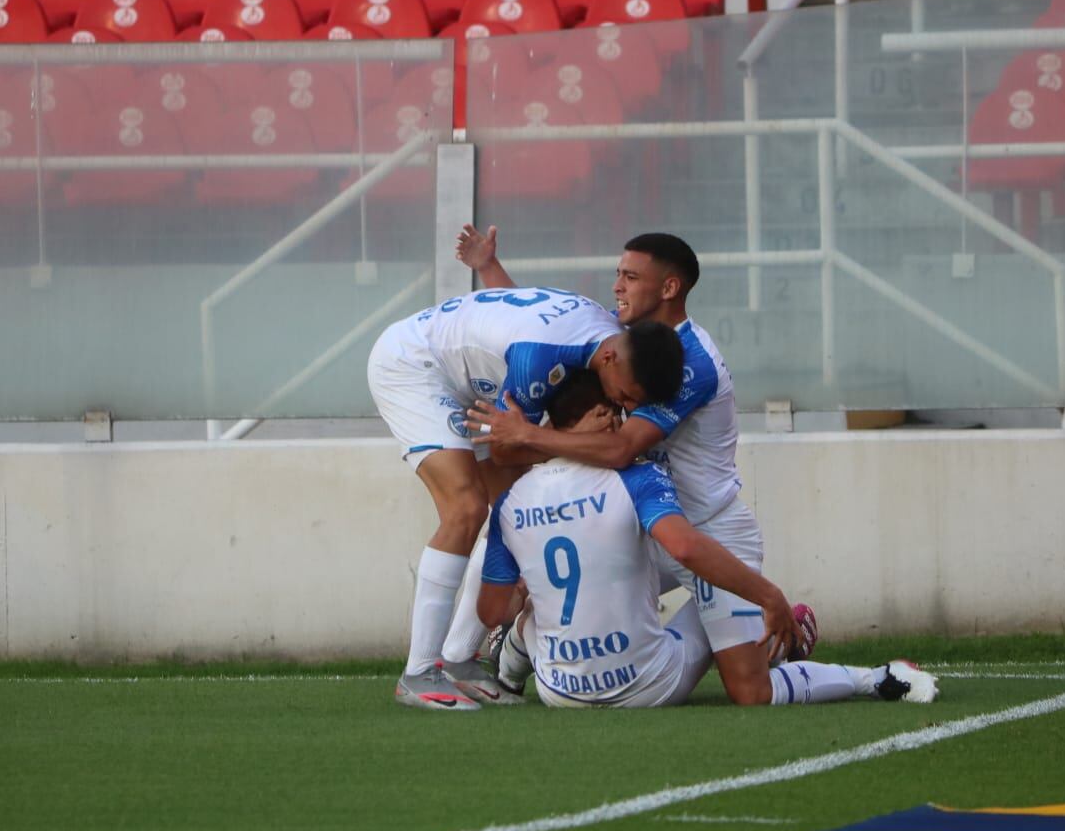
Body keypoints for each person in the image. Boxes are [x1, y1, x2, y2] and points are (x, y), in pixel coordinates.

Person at [454, 226, 921, 708]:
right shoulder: (622, 344)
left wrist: (526, 435)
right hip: (640, 526)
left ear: (670, 287)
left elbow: (619, 450)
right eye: (619, 274)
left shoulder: (688, 361)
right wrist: (488, 268)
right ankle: (501, 659)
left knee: (750, 692)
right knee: (538, 557)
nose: (618, 286)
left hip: (707, 530)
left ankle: (865, 674)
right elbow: (541, 331)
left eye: (631, 277)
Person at [477, 369, 938, 709]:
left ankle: (510, 672)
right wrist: (768, 596)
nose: (622, 425)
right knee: (729, 607)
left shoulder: (511, 500)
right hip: (649, 687)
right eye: (614, 413)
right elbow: (685, 548)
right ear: (603, 416)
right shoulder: (636, 477)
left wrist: (530, 591)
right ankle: (873, 677)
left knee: (540, 601)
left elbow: (492, 611)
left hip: (560, 694)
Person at [367, 284, 690, 710]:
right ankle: (419, 672)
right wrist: (574, 441)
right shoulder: (537, 360)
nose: (622, 405)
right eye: (625, 394)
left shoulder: (609, 341)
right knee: (465, 507)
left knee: (512, 512)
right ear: (610, 358)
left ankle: (460, 659)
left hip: (468, 375)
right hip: (415, 364)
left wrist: (540, 437)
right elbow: (505, 449)